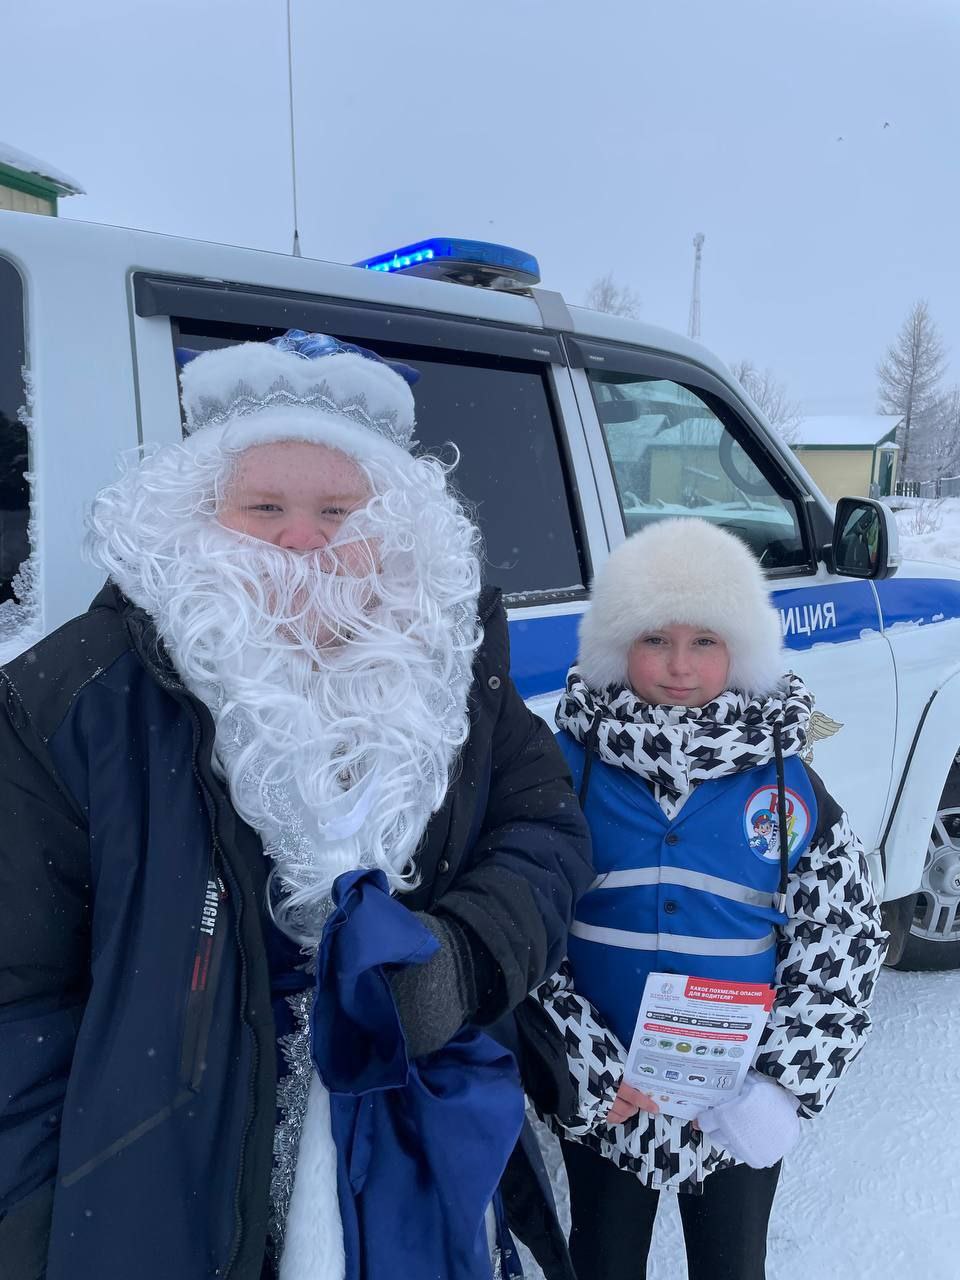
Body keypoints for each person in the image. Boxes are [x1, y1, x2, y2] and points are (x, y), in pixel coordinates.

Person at [0, 330, 593, 1280]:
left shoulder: (449, 673)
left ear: (393, 531)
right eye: (263, 506)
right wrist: (33, 1236)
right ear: (198, 515)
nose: (302, 540)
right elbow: (17, 1007)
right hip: (167, 1204)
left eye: (339, 511)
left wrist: (468, 958)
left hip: (415, 1168)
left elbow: (546, 830)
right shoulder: (68, 704)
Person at [529, 517, 886, 1280]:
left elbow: (844, 938)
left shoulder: (787, 780)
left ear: (743, 651)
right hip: (610, 1100)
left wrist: (783, 1083)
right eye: (656, 639)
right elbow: (521, 929)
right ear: (617, 644)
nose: (680, 668)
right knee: (602, 1262)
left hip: (735, 1096)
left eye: (706, 642)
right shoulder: (563, 769)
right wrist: (580, 1065)